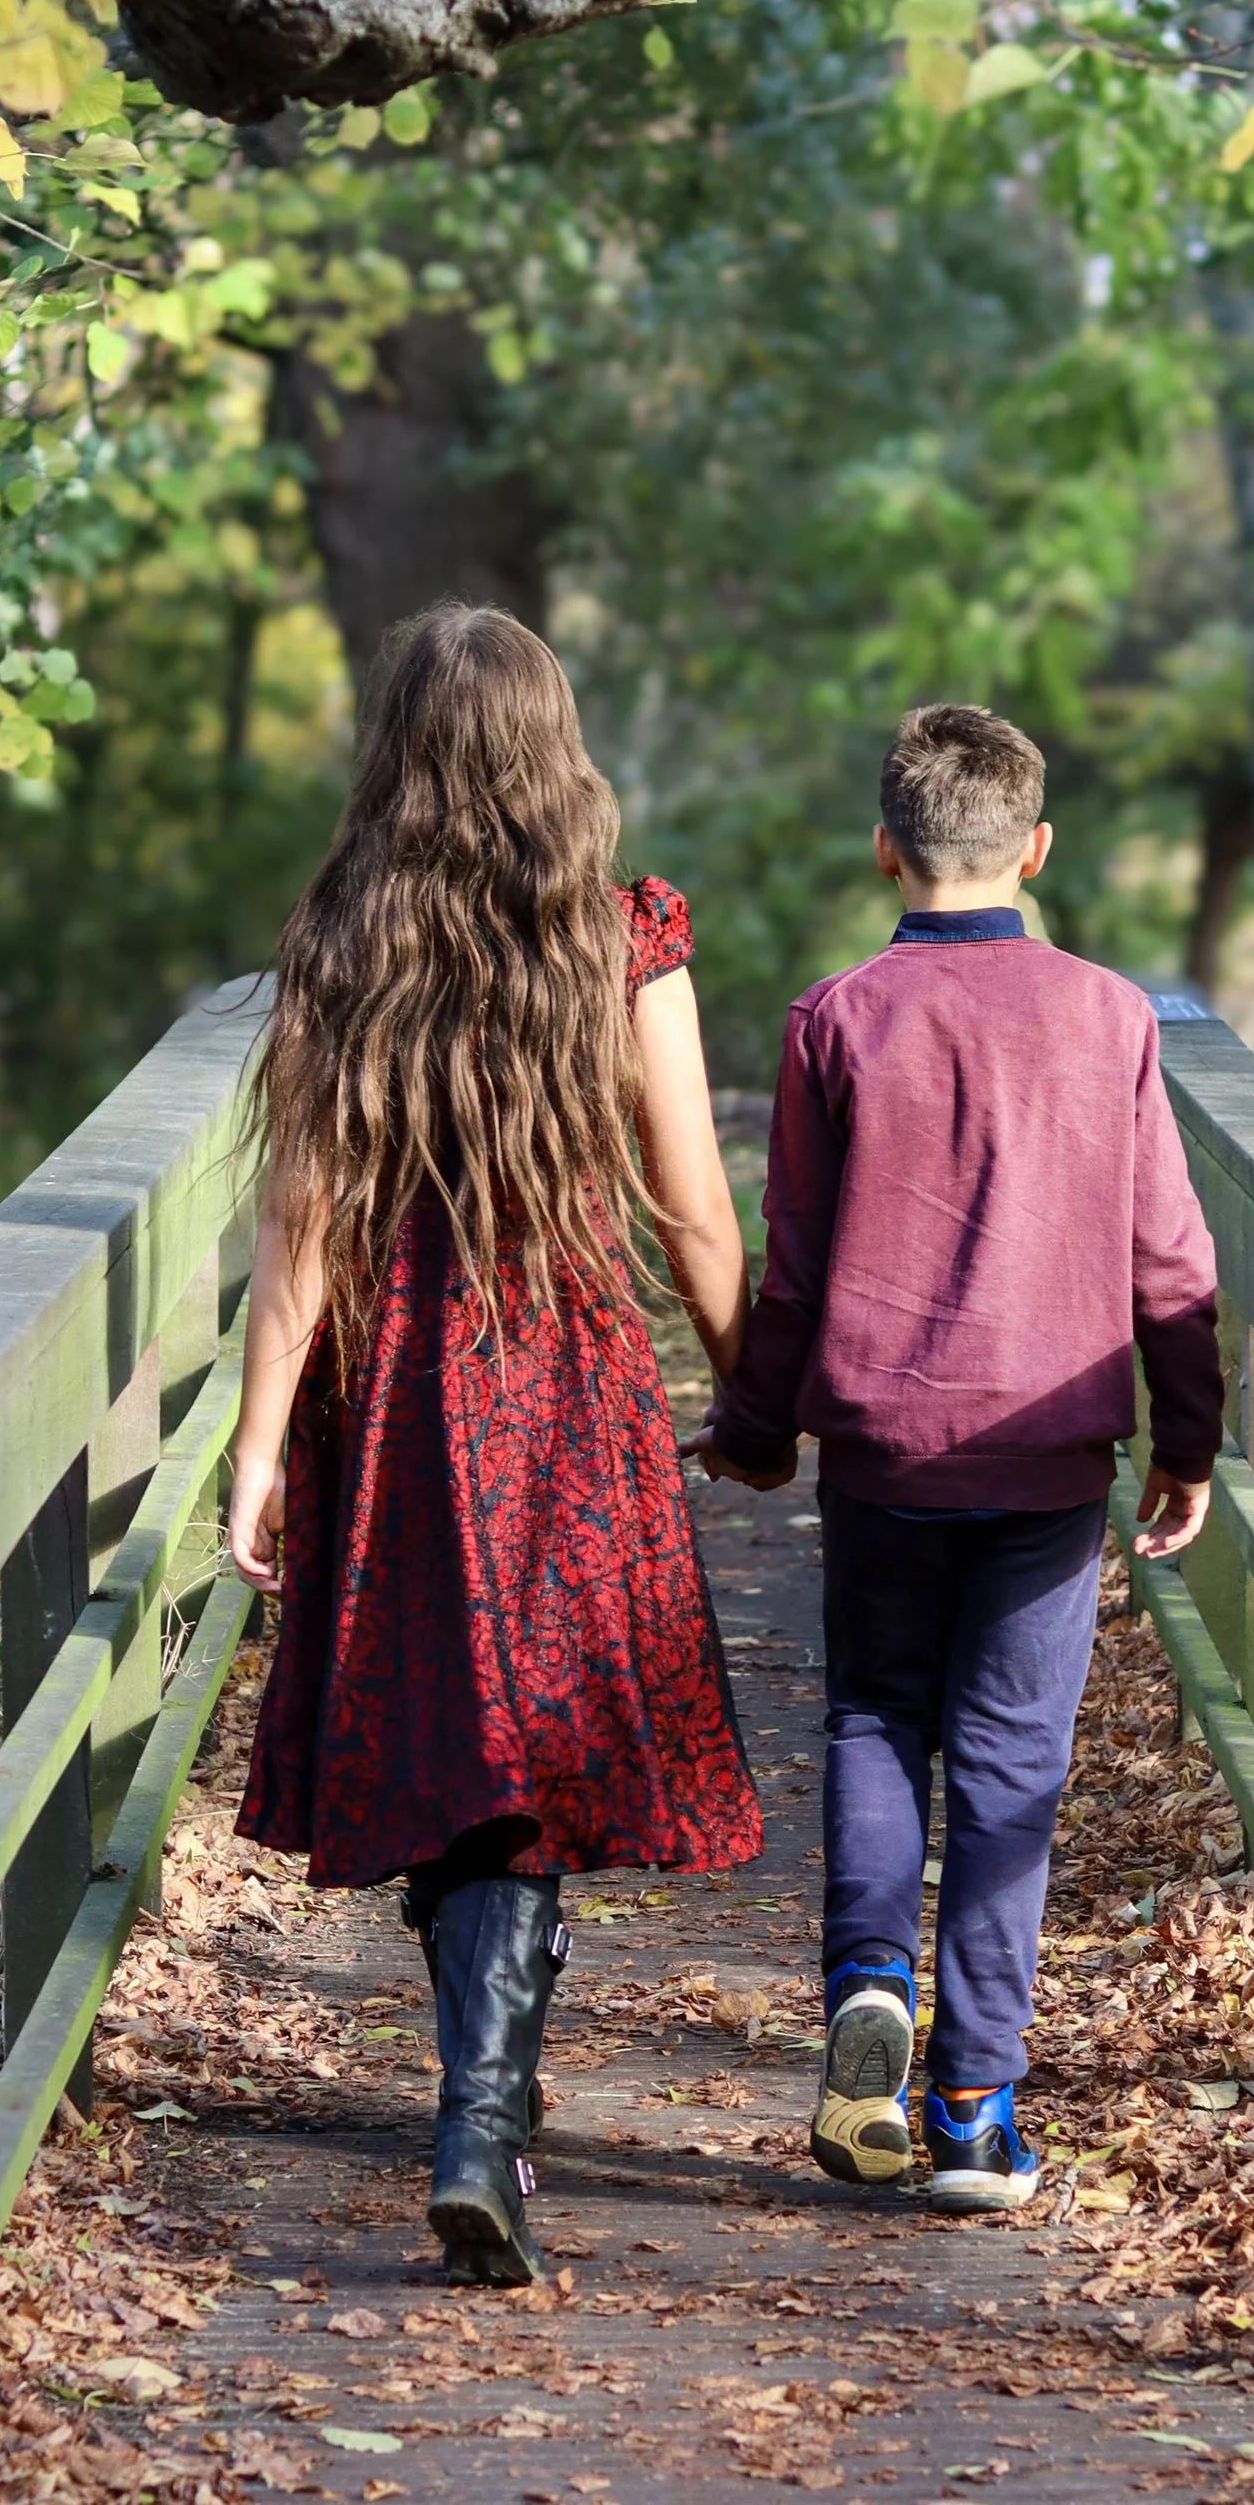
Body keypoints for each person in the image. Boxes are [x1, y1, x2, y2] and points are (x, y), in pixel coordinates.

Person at [227, 604, 762, 2288]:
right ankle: (480, 2120)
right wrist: (753, 1396)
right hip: (567, 1385)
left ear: (396, 745)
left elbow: (301, 1217)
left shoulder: (342, 934)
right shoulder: (619, 933)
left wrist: (256, 1441)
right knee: (519, 1758)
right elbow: (691, 1202)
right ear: (555, 744)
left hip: (387, 1395)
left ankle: (480, 2117)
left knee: (457, 1750)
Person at [700, 701, 1224, 2214]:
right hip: (1050, 1451)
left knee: (874, 1713)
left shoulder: (834, 1017)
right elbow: (1169, 1259)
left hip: (881, 1442)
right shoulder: (1112, 1015)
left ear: (886, 847)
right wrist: (1185, 1438)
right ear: (1036, 849)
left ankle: (870, 1975)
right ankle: (975, 2110)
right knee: (1012, 1767)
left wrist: (752, 1431)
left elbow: (792, 1266)